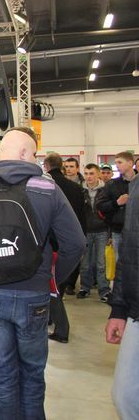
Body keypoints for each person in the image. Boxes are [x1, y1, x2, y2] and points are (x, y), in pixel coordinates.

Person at [0, 127, 85, 420]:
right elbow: (76, 243)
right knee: (32, 375)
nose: (36, 158)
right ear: (23, 153)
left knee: (0, 376)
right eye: (34, 153)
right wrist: (52, 280)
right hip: (33, 294)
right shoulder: (47, 189)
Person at [105, 167, 138, 419]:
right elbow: (130, 251)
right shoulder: (135, 186)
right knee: (125, 395)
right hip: (135, 310)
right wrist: (119, 309)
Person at [42, 153, 85, 343]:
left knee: (53, 289)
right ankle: (52, 320)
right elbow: (81, 219)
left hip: (51, 244)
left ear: (46, 165)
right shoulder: (75, 188)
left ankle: (62, 329)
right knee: (55, 287)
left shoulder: (46, 187)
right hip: (71, 244)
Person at [97, 151, 136, 262]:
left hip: (136, 230)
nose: (117, 165)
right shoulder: (111, 184)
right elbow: (100, 206)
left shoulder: (137, 183)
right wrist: (116, 203)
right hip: (118, 231)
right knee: (120, 263)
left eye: (120, 162)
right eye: (116, 163)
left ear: (130, 163)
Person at [79, 163, 110, 302]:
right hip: (85, 231)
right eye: (86, 173)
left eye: (91, 173)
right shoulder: (80, 190)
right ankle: (85, 288)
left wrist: (110, 233)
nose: (88, 177)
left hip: (102, 231)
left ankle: (104, 290)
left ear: (98, 174)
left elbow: (110, 212)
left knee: (101, 263)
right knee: (85, 263)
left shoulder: (106, 190)